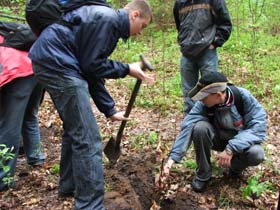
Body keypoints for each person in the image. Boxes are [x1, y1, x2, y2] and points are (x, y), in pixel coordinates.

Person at [28, 0, 154, 209]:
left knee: (75, 128)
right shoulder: (107, 19)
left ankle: (70, 185)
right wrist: (126, 69)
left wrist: (109, 109)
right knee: (88, 139)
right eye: (143, 26)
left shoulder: (105, 21)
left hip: (51, 61)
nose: (140, 33)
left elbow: (91, 71)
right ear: (134, 15)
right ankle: (90, 205)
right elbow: (92, 65)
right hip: (59, 65)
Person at [155, 71, 266, 193]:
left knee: (257, 153)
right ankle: (203, 175)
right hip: (218, 139)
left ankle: (235, 168)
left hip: (238, 145)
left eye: (203, 97)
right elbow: (187, 126)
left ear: (218, 95)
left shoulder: (243, 97)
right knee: (199, 128)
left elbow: (258, 129)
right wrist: (169, 163)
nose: (200, 100)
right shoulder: (203, 105)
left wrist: (230, 149)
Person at [0, 35, 45, 191]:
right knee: (29, 116)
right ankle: (35, 156)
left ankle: (3, 179)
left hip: (18, 73)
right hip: (36, 66)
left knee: (9, 125)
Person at [173, 0, 232, 114]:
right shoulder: (179, 2)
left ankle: (213, 124)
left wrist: (215, 43)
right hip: (187, 53)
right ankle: (191, 125)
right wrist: (183, 42)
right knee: (188, 94)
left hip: (207, 52)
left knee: (212, 91)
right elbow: (179, 25)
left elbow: (225, 23)